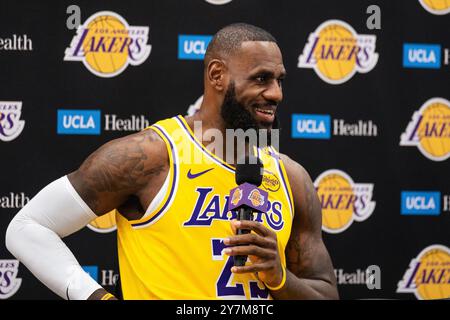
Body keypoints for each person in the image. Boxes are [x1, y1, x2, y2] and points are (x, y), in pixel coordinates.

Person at [5, 23, 338, 300]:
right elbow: (26, 229)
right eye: (261, 78)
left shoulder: (291, 177)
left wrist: (279, 277)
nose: (276, 93)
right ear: (217, 75)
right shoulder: (151, 156)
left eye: (280, 80)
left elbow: (325, 293)